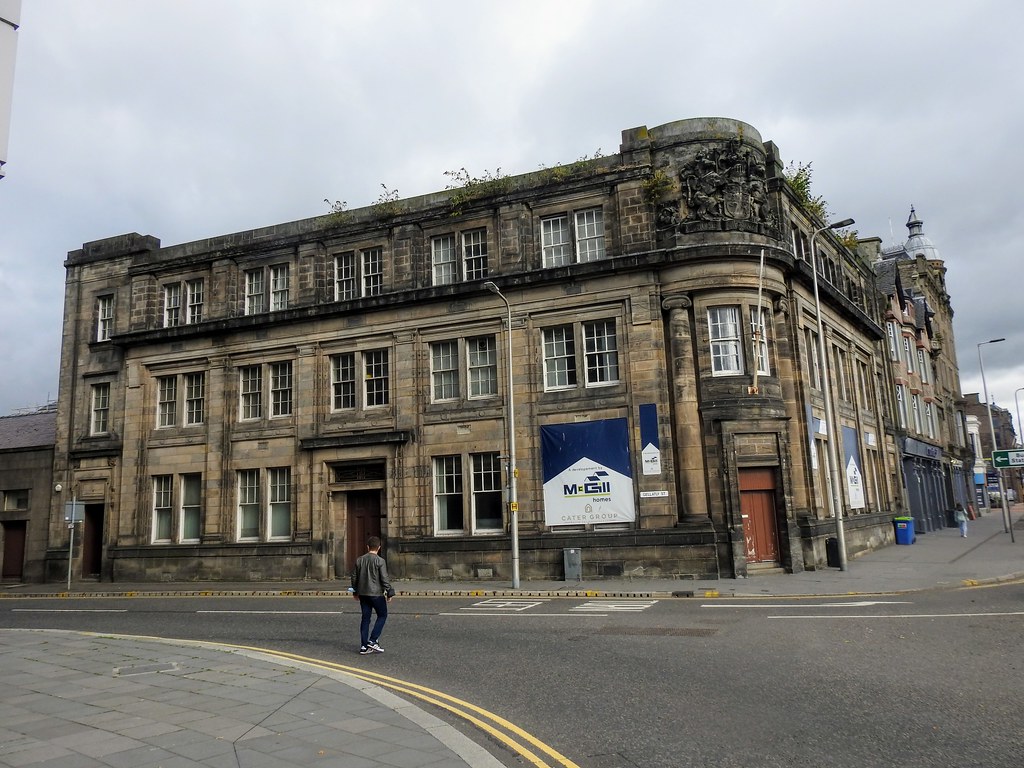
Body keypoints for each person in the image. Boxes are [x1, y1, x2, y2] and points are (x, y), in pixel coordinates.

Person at [350, 535, 395, 655]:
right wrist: (389, 592)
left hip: (363, 594)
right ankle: (373, 640)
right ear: (379, 548)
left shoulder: (360, 560)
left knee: (365, 619)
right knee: (382, 615)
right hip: (376, 594)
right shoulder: (380, 561)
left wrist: (355, 591)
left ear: (367, 547)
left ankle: (364, 647)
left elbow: (354, 577)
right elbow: (384, 579)